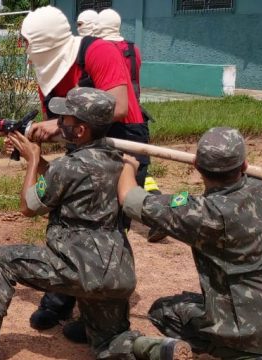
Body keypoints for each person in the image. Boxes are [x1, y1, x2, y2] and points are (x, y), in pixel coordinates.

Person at [0, 88, 190, 360]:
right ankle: (159, 349)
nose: (59, 124)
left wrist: (34, 159)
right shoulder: (116, 160)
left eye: (66, 121)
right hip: (116, 272)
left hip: (78, 268)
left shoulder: (70, 165)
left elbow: (28, 206)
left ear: (81, 130)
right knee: (109, 343)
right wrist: (31, 157)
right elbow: (63, 182)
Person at [0, 5, 143, 341]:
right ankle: (67, 302)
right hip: (81, 144)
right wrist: (22, 134)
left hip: (121, 143)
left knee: (104, 225)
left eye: (27, 42)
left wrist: (51, 128)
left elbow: (119, 105)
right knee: (69, 217)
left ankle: (94, 310)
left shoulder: (97, 51)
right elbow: (56, 126)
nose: (24, 50)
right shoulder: (47, 71)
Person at [116, 127, 262, 360]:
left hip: (246, 327)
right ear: (244, 165)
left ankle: (240, 352)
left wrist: (129, 164)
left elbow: (129, 197)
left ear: (196, 165)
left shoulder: (204, 214)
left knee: (164, 312)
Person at [94, 8, 167, 243]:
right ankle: (159, 215)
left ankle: (118, 234)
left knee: (118, 180)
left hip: (115, 119)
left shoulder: (102, 51)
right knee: (136, 172)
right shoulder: (133, 49)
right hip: (137, 120)